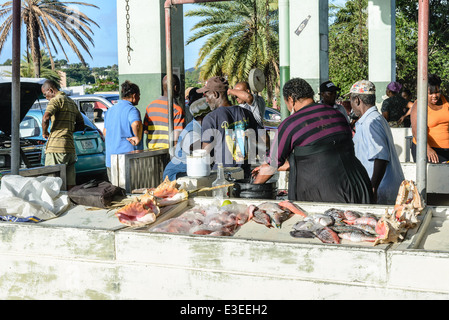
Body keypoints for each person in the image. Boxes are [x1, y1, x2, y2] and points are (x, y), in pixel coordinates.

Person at [252, 77, 373, 204]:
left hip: (327, 195)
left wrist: (252, 190)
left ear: (290, 100)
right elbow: (322, 155)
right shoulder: (338, 115)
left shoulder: (291, 124)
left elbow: (272, 166)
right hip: (360, 187)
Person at [350, 80, 405, 205]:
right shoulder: (375, 119)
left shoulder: (371, 122)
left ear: (357, 100)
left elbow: (381, 156)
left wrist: (373, 187)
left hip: (381, 190)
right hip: (383, 189)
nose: (351, 105)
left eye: (351, 100)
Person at [198, 76, 263, 178]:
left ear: (215, 94)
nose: (206, 100)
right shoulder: (246, 113)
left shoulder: (210, 118)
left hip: (221, 178)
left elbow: (206, 154)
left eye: (207, 96)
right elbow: (263, 141)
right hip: (244, 175)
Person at [41, 79, 84, 190]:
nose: (46, 98)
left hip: (55, 149)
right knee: (70, 185)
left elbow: (45, 118)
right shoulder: (71, 102)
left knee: (51, 184)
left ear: (50, 90)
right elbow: (81, 124)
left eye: (45, 94)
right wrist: (68, 131)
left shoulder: (55, 100)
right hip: (69, 149)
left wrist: (44, 132)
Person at [163, 98, 211, 181]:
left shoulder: (201, 127)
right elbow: (192, 147)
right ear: (202, 116)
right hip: (177, 173)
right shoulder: (192, 129)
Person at [103, 81, 143, 180]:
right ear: (134, 95)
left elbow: (105, 132)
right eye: (139, 96)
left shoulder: (110, 110)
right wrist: (138, 137)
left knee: (115, 190)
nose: (139, 98)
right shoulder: (131, 110)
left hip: (111, 159)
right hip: (127, 158)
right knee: (129, 191)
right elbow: (136, 124)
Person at [410, 74, 449, 163]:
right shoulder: (418, 105)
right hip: (427, 149)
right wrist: (427, 149)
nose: (435, 96)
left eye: (437, 92)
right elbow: (416, 131)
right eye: (431, 93)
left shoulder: (446, 101)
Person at [144, 74, 185, 149]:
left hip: (151, 152)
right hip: (168, 153)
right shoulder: (176, 110)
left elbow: (145, 130)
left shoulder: (150, 106)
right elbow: (176, 138)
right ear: (175, 88)